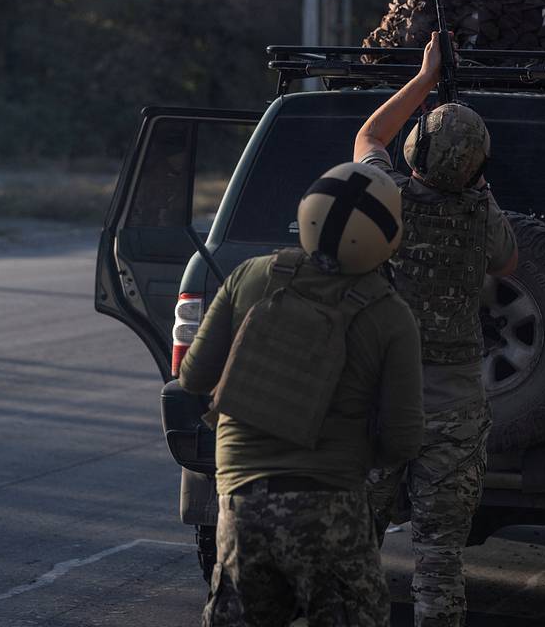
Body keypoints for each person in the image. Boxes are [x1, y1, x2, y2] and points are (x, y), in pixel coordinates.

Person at [178, 161, 423, 627]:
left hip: (242, 501)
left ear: (306, 212)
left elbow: (191, 377)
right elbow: (403, 439)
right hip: (331, 505)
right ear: (389, 237)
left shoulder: (250, 275)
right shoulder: (390, 315)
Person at [354, 32, 519, 627]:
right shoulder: (483, 216)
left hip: (381, 401)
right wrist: (478, 190)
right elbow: (508, 261)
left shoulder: (388, 196)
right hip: (455, 409)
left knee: (354, 549)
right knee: (440, 558)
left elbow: (371, 137)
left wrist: (423, 80)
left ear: (417, 150)